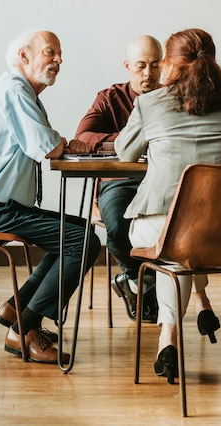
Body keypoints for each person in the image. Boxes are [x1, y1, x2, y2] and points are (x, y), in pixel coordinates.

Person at [114, 28, 221, 383]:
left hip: (158, 223)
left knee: (175, 246)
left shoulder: (149, 104)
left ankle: (169, 336)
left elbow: (124, 152)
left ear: (169, 64)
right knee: (187, 245)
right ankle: (196, 309)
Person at [0, 29, 101, 365]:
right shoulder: (14, 90)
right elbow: (47, 147)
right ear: (24, 56)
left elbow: (46, 142)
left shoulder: (20, 91)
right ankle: (26, 327)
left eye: (59, 54)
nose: (58, 61)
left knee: (79, 233)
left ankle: (17, 307)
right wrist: (64, 142)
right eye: (50, 53)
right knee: (83, 242)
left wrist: (61, 141)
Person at [74, 35, 162, 323]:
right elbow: (83, 137)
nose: (148, 73)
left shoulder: (172, 96)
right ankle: (140, 282)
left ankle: (143, 284)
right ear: (127, 66)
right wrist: (128, 141)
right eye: (140, 66)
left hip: (160, 181)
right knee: (117, 226)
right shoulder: (110, 98)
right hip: (118, 180)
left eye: (154, 65)